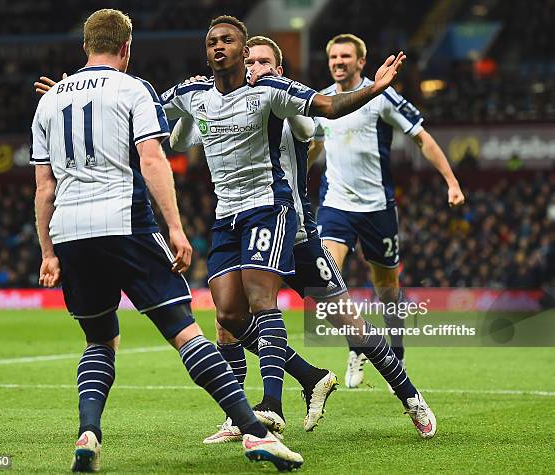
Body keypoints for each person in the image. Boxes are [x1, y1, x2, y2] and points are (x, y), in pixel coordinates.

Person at [31, 9, 303, 472]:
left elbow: (44, 188)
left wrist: (48, 252)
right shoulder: (134, 87)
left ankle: (89, 433)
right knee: (186, 333)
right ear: (126, 47)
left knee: (99, 342)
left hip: (70, 232)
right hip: (125, 225)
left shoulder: (50, 100)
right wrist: (175, 227)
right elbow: (154, 160)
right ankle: (256, 434)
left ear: (84, 47)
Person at [169, 34, 437, 441]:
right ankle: (252, 409)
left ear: (277, 71)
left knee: (353, 327)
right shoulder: (232, 102)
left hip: (297, 233)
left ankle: (410, 396)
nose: (255, 68)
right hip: (251, 226)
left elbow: (313, 122)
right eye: (251, 62)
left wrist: (363, 93)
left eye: (263, 63)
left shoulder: (283, 105)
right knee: (229, 321)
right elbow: (182, 137)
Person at [308, 34, 465, 389]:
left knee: (387, 289)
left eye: (346, 56)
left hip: (377, 208)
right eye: (333, 56)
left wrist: (451, 181)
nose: (338, 61)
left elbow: (421, 137)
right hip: (335, 205)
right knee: (326, 277)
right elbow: (316, 144)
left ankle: (397, 352)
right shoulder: (321, 100)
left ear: (361, 62)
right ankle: (357, 346)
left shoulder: (382, 95)